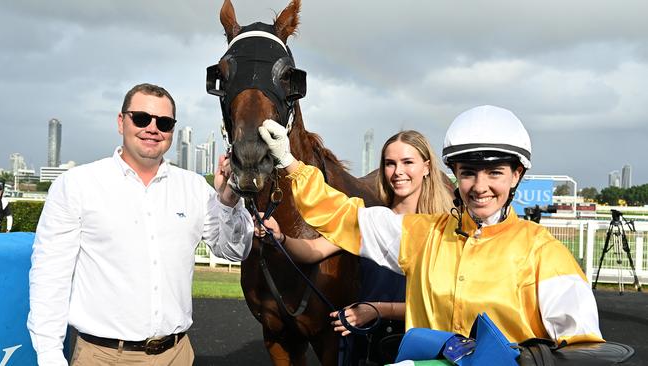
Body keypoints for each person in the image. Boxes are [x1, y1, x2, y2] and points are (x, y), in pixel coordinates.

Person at [258, 105, 604, 346]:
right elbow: (347, 217)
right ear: (456, 175)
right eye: (468, 173)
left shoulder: (546, 255)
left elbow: (580, 348)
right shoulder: (424, 234)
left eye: (495, 172)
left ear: (516, 175)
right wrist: (290, 163)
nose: (480, 187)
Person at [27, 83, 254, 366]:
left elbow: (233, 252)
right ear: (121, 122)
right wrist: (49, 355)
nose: (152, 128)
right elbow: (50, 275)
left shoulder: (195, 187)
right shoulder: (77, 185)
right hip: (102, 357)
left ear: (172, 130)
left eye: (164, 122)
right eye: (141, 118)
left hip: (177, 355)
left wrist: (229, 200)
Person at [256, 130, 453, 365]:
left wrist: (376, 310)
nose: (398, 171)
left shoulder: (445, 229)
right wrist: (280, 238)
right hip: (369, 341)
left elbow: (443, 304)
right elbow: (313, 250)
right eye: (390, 163)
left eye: (407, 162)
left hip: (418, 343)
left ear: (427, 167)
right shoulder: (375, 222)